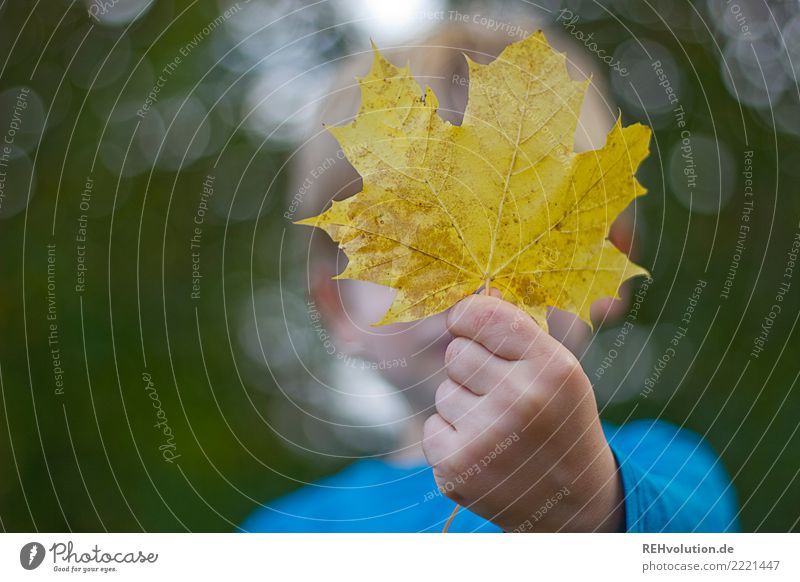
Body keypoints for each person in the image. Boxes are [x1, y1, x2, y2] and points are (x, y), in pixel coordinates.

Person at [242, 25, 739, 533]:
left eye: (534, 224)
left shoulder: (668, 475)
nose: (472, 294)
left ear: (605, 263)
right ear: (334, 306)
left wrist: (585, 506)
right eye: (403, 242)